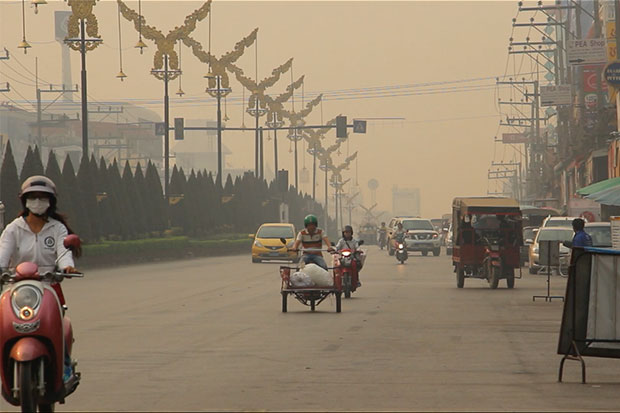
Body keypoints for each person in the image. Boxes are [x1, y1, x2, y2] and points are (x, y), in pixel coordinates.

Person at [0, 175, 81, 382]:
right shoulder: (13, 229)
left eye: (42, 198)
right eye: (33, 197)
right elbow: (2, 255)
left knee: (60, 325)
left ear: (50, 202)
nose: (37, 202)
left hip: (48, 285)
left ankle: (63, 366)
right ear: (24, 201)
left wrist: (67, 267)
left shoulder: (57, 228)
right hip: (16, 287)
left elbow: (64, 254)